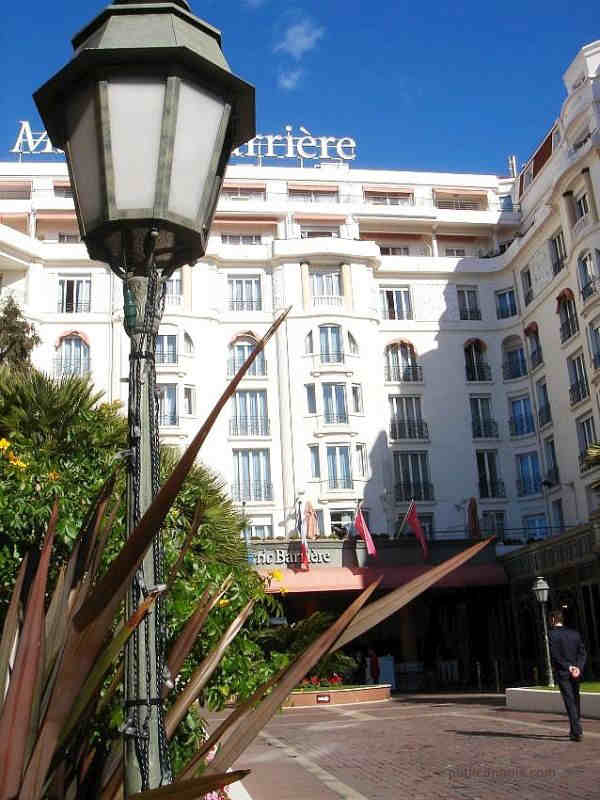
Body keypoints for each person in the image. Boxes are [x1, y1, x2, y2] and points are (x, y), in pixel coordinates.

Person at [548, 608, 586, 741]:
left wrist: (569, 667)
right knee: (576, 700)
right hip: (576, 672)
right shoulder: (574, 633)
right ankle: (574, 729)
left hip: (564, 672)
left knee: (570, 701)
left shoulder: (552, 635)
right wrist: (578, 668)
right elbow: (582, 653)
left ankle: (576, 731)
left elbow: (555, 656)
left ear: (553, 619)